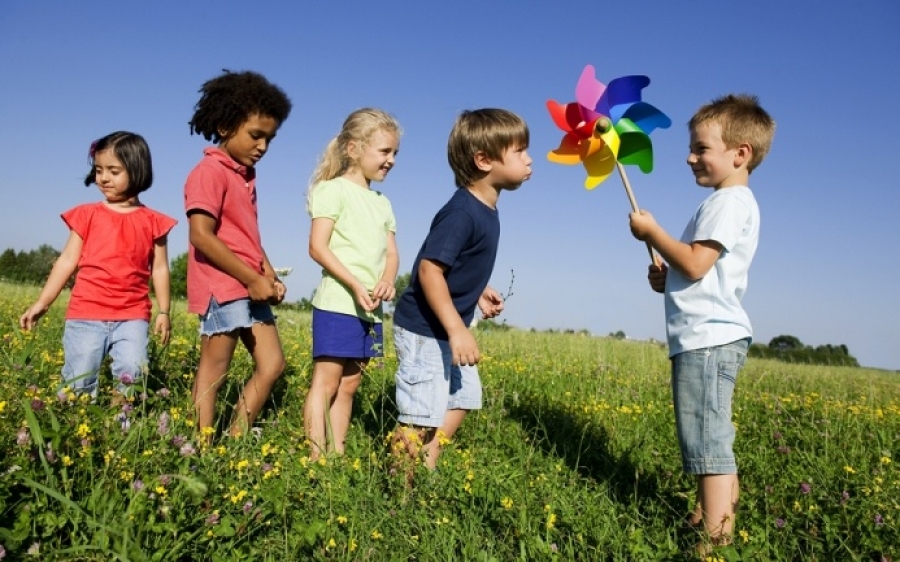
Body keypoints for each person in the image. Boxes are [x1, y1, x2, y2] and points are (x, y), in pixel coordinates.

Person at [628, 94, 776, 548]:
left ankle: (716, 539)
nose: (690, 157)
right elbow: (693, 268)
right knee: (705, 433)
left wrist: (654, 234)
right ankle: (708, 514)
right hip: (706, 336)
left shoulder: (728, 203)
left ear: (740, 153)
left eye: (700, 148)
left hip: (708, 339)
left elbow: (694, 264)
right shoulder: (727, 202)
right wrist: (666, 273)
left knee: (708, 440)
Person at [391, 108, 531, 470]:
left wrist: (480, 288)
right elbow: (429, 269)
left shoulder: (486, 209)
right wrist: (456, 329)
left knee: (464, 396)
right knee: (421, 415)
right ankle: (395, 491)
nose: (529, 158)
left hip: (445, 328)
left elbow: (454, 264)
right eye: (520, 151)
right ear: (484, 160)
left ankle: (428, 455)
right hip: (426, 330)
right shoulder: (463, 212)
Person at [20, 131, 177, 401]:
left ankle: (121, 424)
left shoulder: (153, 222)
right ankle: (74, 429)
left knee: (133, 370)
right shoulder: (87, 215)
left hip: (133, 315)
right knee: (79, 378)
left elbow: (160, 269)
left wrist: (164, 311)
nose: (103, 178)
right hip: (86, 313)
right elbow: (67, 261)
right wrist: (42, 302)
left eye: (113, 171)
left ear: (137, 170)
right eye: (99, 170)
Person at [184, 69, 292, 438]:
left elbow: (247, 236)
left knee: (273, 364)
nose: (262, 146)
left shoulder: (243, 176)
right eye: (256, 135)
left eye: (270, 139)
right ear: (226, 126)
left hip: (250, 284)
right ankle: (200, 446)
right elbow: (201, 236)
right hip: (223, 286)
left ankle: (237, 439)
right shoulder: (208, 172)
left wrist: (269, 274)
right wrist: (251, 277)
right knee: (215, 369)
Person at [302, 108, 402, 460]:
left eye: (395, 154)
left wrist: (387, 280)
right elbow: (317, 246)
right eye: (384, 151)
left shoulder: (382, 202)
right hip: (339, 303)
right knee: (326, 383)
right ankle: (316, 457)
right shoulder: (331, 190)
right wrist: (355, 284)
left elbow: (391, 253)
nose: (390, 160)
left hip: (370, 309)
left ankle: (336, 453)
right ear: (353, 149)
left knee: (350, 385)